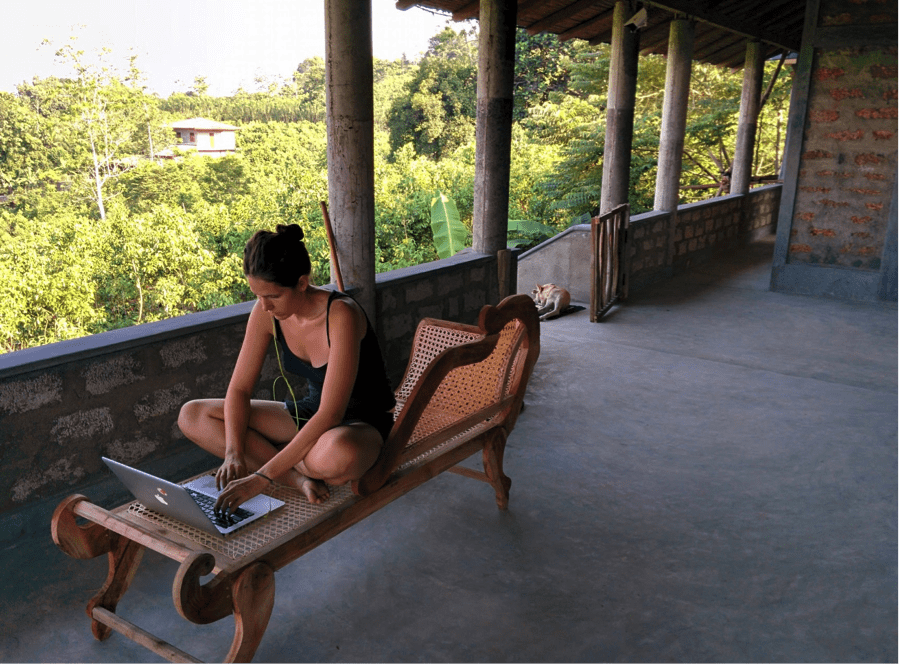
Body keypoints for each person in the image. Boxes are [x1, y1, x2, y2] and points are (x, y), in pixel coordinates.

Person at [178, 224, 395, 514]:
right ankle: (296, 477)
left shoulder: (342, 314)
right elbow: (239, 389)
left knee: (334, 456)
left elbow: (331, 414)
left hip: (357, 425)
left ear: (302, 283)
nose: (265, 306)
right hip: (307, 414)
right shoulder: (265, 312)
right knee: (193, 415)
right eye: (258, 295)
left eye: (273, 297)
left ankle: (275, 459)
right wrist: (233, 452)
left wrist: (260, 477)